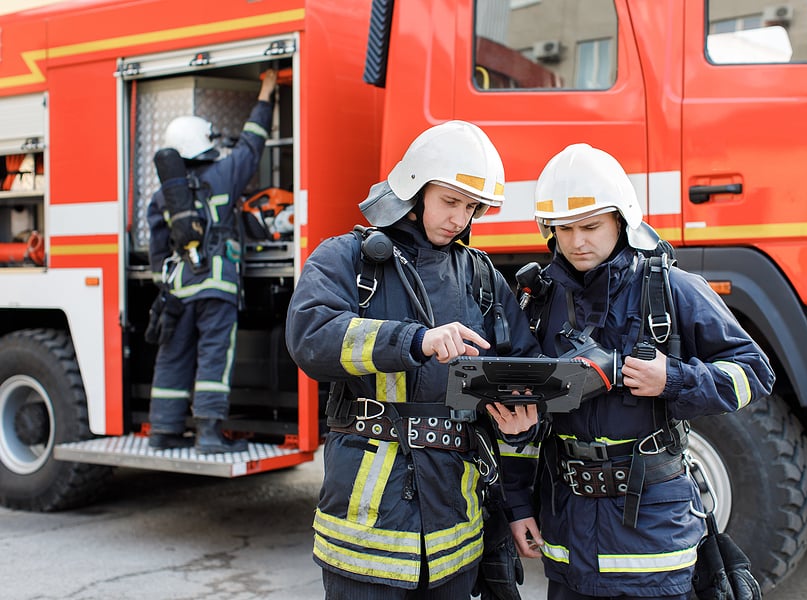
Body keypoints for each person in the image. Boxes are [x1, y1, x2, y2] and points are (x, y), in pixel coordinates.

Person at [503, 144, 776, 600]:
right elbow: (520, 415)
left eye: (590, 226)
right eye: (564, 229)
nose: (576, 241)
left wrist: (672, 379)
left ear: (621, 221)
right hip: (567, 541)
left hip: (653, 543)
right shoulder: (538, 302)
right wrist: (516, 504)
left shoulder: (674, 289)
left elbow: (755, 373)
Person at [284, 120, 541, 598]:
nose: (459, 219)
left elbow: (520, 368)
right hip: (366, 534)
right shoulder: (346, 259)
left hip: (455, 533)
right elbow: (310, 337)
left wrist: (520, 419)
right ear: (413, 190)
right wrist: (414, 340)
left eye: (471, 207)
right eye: (449, 201)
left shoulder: (483, 278)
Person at [146, 69, 278, 453]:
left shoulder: (162, 197)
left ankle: (163, 431)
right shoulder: (224, 174)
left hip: (177, 289)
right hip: (217, 286)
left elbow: (158, 246)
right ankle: (208, 434)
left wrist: (162, 281)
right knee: (214, 356)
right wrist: (266, 93)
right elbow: (253, 142)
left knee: (173, 355)